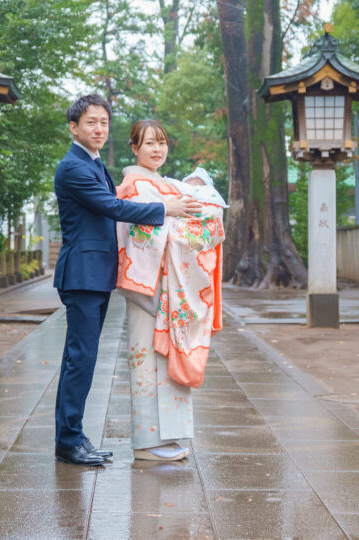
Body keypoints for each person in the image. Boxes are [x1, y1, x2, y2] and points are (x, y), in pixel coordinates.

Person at [53, 95, 201, 467]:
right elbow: (113, 208)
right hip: (83, 275)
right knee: (79, 358)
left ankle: (74, 435)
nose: (98, 129)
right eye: (90, 122)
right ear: (74, 127)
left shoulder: (94, 163)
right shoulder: (74, 167)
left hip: (96, 274)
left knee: (83, 358)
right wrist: (165, 209)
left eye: (103, 122)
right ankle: (68, 440)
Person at [115, 120, 225, 462]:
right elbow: (144, 237)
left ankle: (168, 436)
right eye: (148, 143)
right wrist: (188, 225)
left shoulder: (164, 184)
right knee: (145, 361)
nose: (157, 149)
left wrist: (200, 226)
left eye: (161, 142)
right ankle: (146, 442)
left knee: (165, 358)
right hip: (149, 285)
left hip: (168, 285)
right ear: (134, 148)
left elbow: (181, 225)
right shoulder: (134, 185)